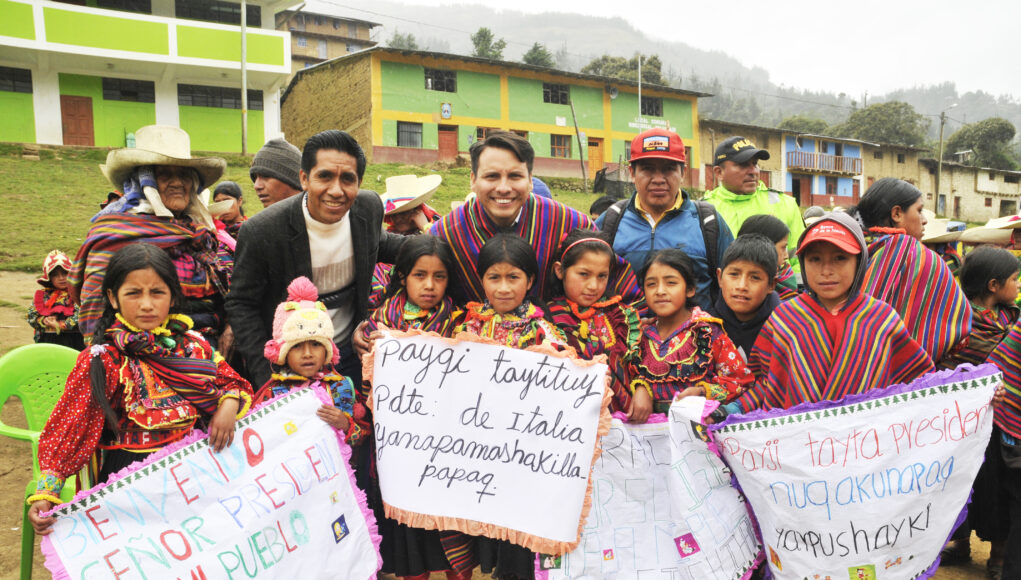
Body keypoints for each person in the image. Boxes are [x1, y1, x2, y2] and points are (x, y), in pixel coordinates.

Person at [26, 243, 251, 534]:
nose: (147, 304)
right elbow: (72, 428)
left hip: (194, 476)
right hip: (129, 484)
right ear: (113, 298)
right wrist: (47, 493)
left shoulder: (193, 344)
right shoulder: (104, 359)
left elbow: (233, 383)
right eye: (134, 293)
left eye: (157, 292)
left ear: (172, 296)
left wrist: (228, 405)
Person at [228, 130, 405, 388]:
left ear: (359, 182)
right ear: (304, 178)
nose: (336, 190)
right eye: (324, 176)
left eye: (347, 179)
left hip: (352, 354)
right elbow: (241, 304)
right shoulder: (262, 230)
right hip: (291, 367)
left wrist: (442, 241)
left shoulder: (368, 208)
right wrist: (267, 376)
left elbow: (386, 245)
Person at [724, 213, 934, 415]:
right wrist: (736, 408)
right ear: (803, 263)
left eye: (840, 258)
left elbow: (915, 379)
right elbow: (767, 383)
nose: (826, 270)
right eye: (815, 259)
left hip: (865, 442)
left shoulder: (881, 318)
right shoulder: (785, 318)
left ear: (859, 261)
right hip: (797, 441)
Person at [451, 234, 565, 580]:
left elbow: (561, 383)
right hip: (482, 446)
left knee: (522, 520)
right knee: (491, 516)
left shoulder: (544, 331)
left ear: (530, 281)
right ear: (480, 279)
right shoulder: (466, 326)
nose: (503, 288)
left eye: (513, 278)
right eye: (494, 278)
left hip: (527, 449)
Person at [429, 131, 639, 305]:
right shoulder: (445, 234)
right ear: (473, 180)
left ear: (530, 180)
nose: (503, 188)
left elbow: (614, 279)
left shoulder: (570, 223)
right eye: (491, 176)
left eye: (515, 176)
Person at [362, 237, 468, 580]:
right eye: (420, 275)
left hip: (450, 452)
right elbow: (369, 389)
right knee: (410, 539)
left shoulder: (462, 324)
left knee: (456, 535)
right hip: (401, 455)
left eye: (439, 277)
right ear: (403, 276)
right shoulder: (377, 325)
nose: (429, 285)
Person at [73, 125, 234, 346]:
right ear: (143, 181)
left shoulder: (199, 235)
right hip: (140, 352)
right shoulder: (116, 234)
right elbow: (95, 307)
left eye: (185, 175)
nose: (177, 183)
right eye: (165, 174)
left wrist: (230, 326)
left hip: (205, 353)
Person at [940, 246, 1020, 574]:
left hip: (1001, 422)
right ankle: (960, 541)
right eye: (1014, 278)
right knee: (960, 482)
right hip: (961, 422)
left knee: (996, 489)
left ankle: (999, 553)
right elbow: (946, 364)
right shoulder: (957, 321)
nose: (1018, 285)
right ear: (993, 285)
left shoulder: (1011, 318)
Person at [596, 128, 733, 309]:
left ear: (683, 173)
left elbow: (732, 285)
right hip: (623, 335)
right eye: (647, 169)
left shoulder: (708, 222)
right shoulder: (610, 221)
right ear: (632, 172)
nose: (658, 179)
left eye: (669, 169)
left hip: (695, 336)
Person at [852, 178, 971, 366]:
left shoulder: (849, 253)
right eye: (919, 210)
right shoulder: (922, 258)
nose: (924, 220)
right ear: (897, 213)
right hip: (912, 378)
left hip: (857, 371)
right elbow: (955, 325)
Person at [625, 249, 753, 424]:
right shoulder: (639, 335)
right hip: (650, 438)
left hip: (699, 432)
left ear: (690, 289)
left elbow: (740, 382)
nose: (660, 291)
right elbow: (627, 377)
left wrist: (702, 392)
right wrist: (641, 387)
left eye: (671, 282)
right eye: (651, 284)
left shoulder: (707, 332)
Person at [255, 276, 367, 445]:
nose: (307, 353)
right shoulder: (271, 394)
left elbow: (365, 435)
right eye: (297, 346)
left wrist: (345, 424)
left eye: (316, 344)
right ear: (283, 352)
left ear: (327, 350)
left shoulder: (342, 387)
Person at [545, 229, 641, 412]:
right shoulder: (547, 319)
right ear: (559, 270)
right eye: (583, 274)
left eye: (601, 276)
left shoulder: (621, 316)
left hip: (622, 418)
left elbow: (637, 365)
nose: (593, 286)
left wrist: (642, 389)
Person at [704, 136, 804, 273]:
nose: (753, 171)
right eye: (743, 165)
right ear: (719, 172)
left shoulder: (785, 204)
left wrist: (791, 290)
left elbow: (800, 260)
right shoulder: (704, 210)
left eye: (755, 164)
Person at [370, 174, 445, 309]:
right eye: (395, 214)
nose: (398, 218)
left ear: (418, 210)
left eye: (405, 213)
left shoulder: (438, 228)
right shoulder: (386, 240)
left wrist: (425, 226)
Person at [708, 235, 781, 360]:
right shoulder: (706, 328)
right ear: (719, 278)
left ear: (771, 285)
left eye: (755, 277)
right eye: (734, 274)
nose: (742, 286)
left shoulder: (784, 327)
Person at [27, 250, 84, 350]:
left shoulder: (78, 294)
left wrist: (61, 325)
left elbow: (82, 315)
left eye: (65, 273)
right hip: (47, 343)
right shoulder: (43, 296)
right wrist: (45, 321)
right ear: (49, 277)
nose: (61, 278)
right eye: (55, 275)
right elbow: (31, 317)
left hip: (74, 342)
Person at [737, 215, 797, 300]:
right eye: (783, 248)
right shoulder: (741, 291)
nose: (786, 255)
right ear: (765, 246)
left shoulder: (785, 275)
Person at [250, 137, 303, 207]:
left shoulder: (319, 216)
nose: (256, 186)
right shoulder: (262, 218)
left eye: (265, 176)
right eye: (255, 177)